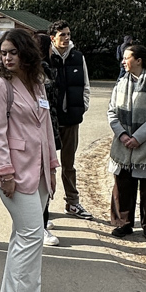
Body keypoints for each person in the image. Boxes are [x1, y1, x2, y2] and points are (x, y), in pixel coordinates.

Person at [0, 26, 58, 292]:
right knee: (31, 236)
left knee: (23, 237)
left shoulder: (38, 84)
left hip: (39, 172)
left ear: (27, 53)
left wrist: (53, 165)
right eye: (3, 52)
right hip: (14, 173)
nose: (7, 57)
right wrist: (5, 172)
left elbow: (46, 128)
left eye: (13, 52)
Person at [108, 42, 146, 241]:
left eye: (126, 58)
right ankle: (123, 223)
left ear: (139, 61)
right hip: (123, 145)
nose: (123, 61)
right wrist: (123, 135)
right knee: (122, 184)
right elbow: (111, 112)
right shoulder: (120, 85)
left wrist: (138, 137)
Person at [47, 20, 91, 216]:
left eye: (68, 34)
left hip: (71, 120)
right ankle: (44, 206)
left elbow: (85, 86)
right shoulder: (47, 58)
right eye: (62, 35)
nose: (66, 38)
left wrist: (81, 108)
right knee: (46, 164)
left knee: (69, 164)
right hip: (50, 121)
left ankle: (72, 202)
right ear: (53, 38)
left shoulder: (78, 57)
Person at [36, 32, 63, 248]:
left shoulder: (48, 67)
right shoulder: (41, 70)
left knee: (47, 174)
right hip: (43, 129)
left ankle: (43, 219)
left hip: (49, 125)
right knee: (42, 177)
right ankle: (41, 225)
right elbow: (52, 97)